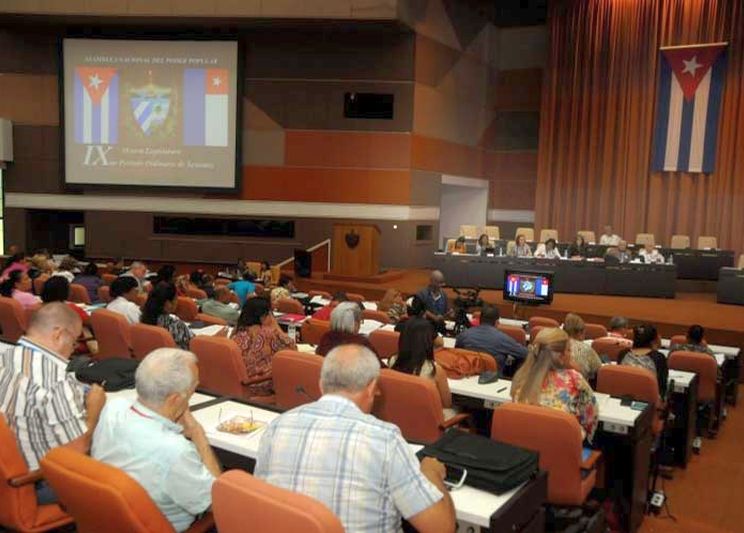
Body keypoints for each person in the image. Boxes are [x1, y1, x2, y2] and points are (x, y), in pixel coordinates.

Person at [255, 345, 455, 533]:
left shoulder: (278, 426)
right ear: (372, 388)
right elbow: (441, 528)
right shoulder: (385, 440)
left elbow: (262, 501)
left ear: (321, 385)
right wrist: (432, 474)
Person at [92, 348, 220, 532]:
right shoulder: (175, 451)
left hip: (112, 521)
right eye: (193, 389)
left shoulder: (113, 409)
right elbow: (218, 503)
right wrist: (198, 435)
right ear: (175, 399)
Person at [0, 303, 106, 502]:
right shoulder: (55, 381)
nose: (73, 350)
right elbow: (78, 452)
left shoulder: (5, 356)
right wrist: (94, 408)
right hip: (35, 483)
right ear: (59, 334)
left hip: (8, 472)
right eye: (74, 342)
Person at [511, 327, 598, 441]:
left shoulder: (520, 377)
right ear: (561, 356)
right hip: (562, 450)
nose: (571, 354)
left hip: (525, 448)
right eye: (569, 350)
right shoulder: (574, 378)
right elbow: (590, 417)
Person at [230, 296, 296, 398]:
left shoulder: (238, 331)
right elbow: (293, 350)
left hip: (236, 382)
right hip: (257, 385)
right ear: (264, 316)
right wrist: (276, 326)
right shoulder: (267, 333)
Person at [389, 318, 455, 417]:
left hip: (399, 417)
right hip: (428, 421)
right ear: (428, 340)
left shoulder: (392, 361)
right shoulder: (435, 370)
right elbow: (447, 404)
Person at [455, 303, 528, 375]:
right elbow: (525, 353)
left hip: (467, 377)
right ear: (497, 322)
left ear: (479, 320)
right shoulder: (502, 339)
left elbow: (457, 353)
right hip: (492, 382)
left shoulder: (463, 335)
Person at [618, 323, 668, 397]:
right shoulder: (658, 357)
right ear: (654, 340)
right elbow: (661, 386)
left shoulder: (623, 354)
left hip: (622, 397)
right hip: (649, 400)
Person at [141, 283, 194, 350]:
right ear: (168, 304)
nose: (177, 302)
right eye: (176, 298)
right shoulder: (174, 323)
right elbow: (193, 342)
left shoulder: (144, 318)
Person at [563, 313, 602, 381]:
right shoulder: (586, 348)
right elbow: (598, 370)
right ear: (580, 333)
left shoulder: (553, 344)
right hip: (579, 385)